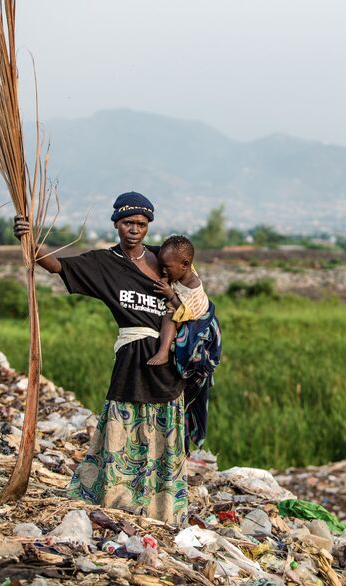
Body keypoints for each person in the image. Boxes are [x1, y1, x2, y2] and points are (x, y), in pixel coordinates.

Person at [13, 191, 187, 525]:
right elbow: (56, 266)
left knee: (163, 431)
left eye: (140, 223)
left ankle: (161, 508)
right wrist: (28, 239)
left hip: (167, 362)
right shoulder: (104, 263)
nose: (134, 229)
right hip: (132, 360)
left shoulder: (162, 260)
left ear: (148, 225)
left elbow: (192, 294)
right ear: (116, 225)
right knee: (123, 425)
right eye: (127, 223)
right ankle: (117, 497)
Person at [146, 235, 209, 366]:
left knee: (170, 316)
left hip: (192, 316)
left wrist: (170, 294)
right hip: (184, 309)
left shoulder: (191, 287)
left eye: (167, 267)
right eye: (161, 266)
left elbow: (185, 313)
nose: (163, 270)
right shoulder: (182, 269)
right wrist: (167, 278)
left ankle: (163, 352)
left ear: (185, 265)